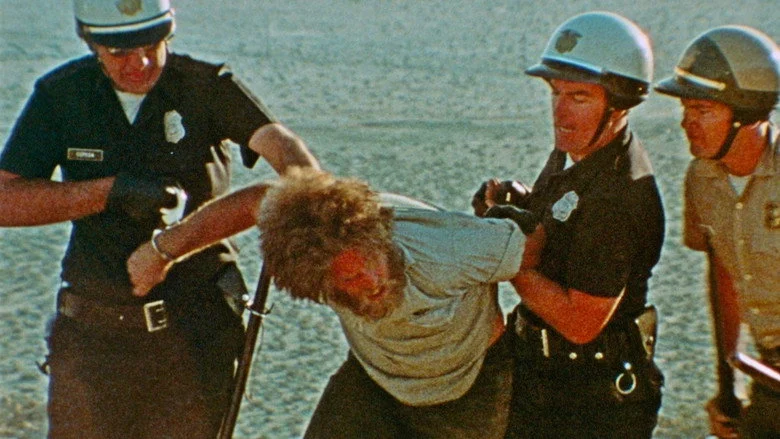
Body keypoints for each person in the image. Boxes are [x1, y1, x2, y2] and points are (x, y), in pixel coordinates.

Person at [0, 0, 319, 437]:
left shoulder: (205, 86)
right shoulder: (63, 95)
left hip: (194, 337)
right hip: (92, 340)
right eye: (120, 53)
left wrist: (309, 194)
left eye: (152, 47)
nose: (141, 64)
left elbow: (280, 145)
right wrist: (109, 192)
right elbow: (6, 200)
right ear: (92, 45)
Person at [127, 167, 542, 438]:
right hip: (375, 375)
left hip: (467, 384)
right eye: (351, 279)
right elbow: (259, 199)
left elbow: (531, 247)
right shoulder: (315, 256)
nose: (372, 282)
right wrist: (162, 251)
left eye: (372, 263)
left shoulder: (451, 249)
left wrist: (499, 215)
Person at [473, 11, 666, 438]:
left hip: (593, 404)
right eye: (555, 92)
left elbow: (580, 323)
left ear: (619, 104)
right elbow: (565, 217)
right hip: (542, 381)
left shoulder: (618, 195)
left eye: (579, 97)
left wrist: (507, 254)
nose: (560, 112)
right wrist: (521, 206)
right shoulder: (578, 152)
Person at [655, 25, 779, 439]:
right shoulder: (702, 180)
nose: (686, 123)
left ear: (746, 113)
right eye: (685, 109)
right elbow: (723, 272)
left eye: (702, 110)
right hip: (768, 373)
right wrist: (730, 383)